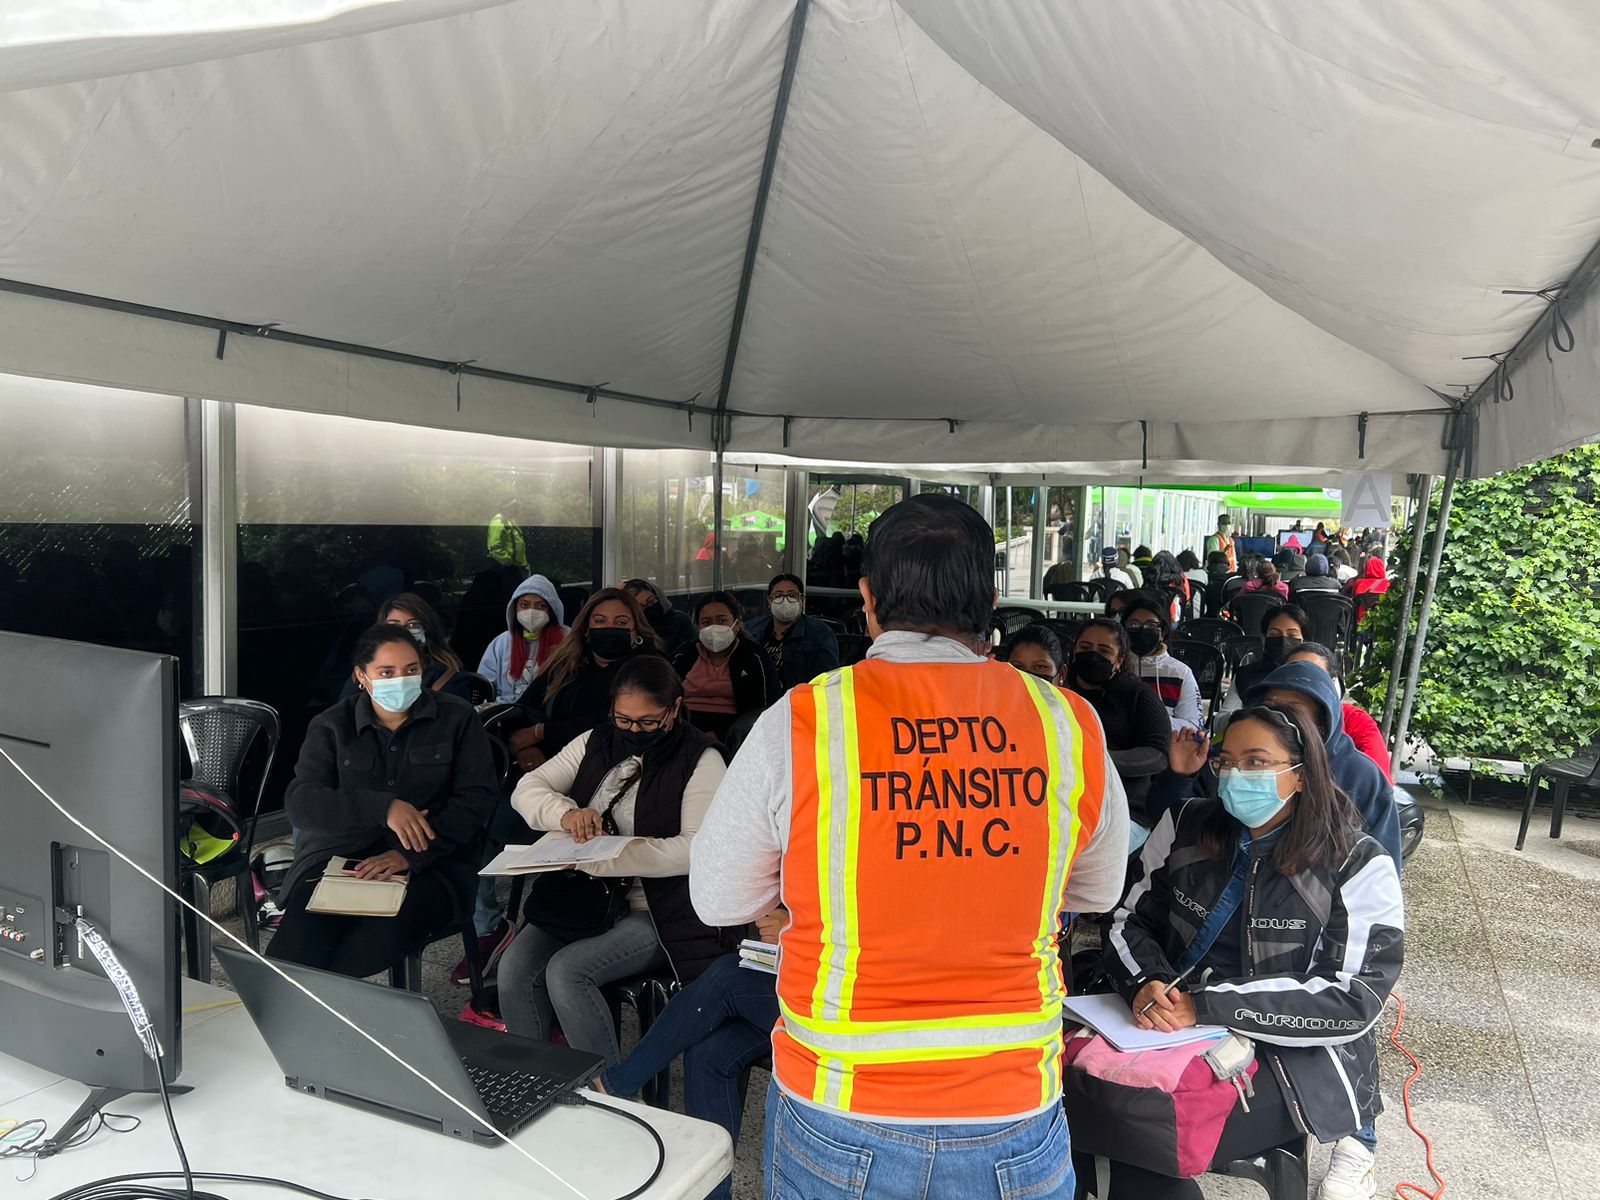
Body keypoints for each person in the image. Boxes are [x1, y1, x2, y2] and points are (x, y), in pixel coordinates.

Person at [691, 493, 1129, 1200]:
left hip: (842, 1097)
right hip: (1013, 1097)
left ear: (866, 599)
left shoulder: (805, 720)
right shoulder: (1067, 723)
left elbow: (718, 899)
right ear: (990, 601)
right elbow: (1098, 891)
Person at [1094, 703, 1404, 1200]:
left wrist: (1206, 1006)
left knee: (1143, 1122)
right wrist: (1144, 982)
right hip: (1161, 1023)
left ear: (1301, 774)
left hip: (1288, 1055)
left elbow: (1353, 998)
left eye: (1257, 762)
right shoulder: (1186, 823)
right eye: (1227, 762)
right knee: (1070, 1097)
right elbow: (1126, 919)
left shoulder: (1357, 861)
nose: (1236, 775)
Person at [498, 657, 734, 1063]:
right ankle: (538, 1076)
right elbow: (528, 787)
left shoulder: (701, 759)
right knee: (514, 967)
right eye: (623, 719)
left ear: (674, 709)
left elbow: (694, 849)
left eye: (647, 722)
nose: (633, 731)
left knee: (569, 972)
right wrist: (565, 814)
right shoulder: (597, 740)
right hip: (589, 897)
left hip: (658, 906)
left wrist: (607, 858)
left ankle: (604, 1087)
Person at [268, 625, 497, 977]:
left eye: (411, 670)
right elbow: (302, 802)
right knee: (290, 958)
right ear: (361, 676)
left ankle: (336, 1009)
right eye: (387, 672)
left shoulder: (456, 718)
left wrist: (409, 854)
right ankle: (317, 1009)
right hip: (342, 861)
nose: (400, 680)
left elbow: (477, 799)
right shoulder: (332, 725)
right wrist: (383, 807)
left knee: (361, 952)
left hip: (432, 865)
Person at [594, 910, 786, 1200]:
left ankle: (615, 1084)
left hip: (840, 1006)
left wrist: (797, 930)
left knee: (725, 976)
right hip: (794, 980)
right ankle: (714, 1195)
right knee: (707, 1054)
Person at [515, 587, 665, 758]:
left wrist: (541, 732)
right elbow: (523, 708)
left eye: (621, 623)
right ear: (586, 628)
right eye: (600, 621)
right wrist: (526, 748)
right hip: (548, 761)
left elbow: (612, 721)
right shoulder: (567, 662)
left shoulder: (650, 666)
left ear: (636, 629)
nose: (609, 628)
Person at [1064, 618, 1172, 842]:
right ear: (1074, 650)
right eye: (1085, 647)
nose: (1093, 655)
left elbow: (1157, 754)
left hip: (1123, 810)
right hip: (1063, 806)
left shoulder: (1138, 695)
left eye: (1104, 650)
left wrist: (1097, 761)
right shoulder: (1060, 690)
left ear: (1119, 660)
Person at [671, 591, 781, 741]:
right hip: (684, 727)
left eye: (722, 620)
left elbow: (769, 707)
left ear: (737, 624)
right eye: (706, 622)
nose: (714, 627)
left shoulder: (754, 657)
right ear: (698, 627)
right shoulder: (683, 655)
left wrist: (721, 734)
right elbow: (665, 695)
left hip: (735, 733)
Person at [1286, 643, 1393, 783]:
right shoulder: (1266, 721)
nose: (1303, 684)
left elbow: (1377, 780)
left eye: (1315, 677)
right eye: (1294, 674)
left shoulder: (1354, 720)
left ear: (1332, 683)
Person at [476, 575, 567, 704]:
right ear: (515, 608)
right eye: (524, 605)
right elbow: (484, 687)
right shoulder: (501, 643)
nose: (531, 612)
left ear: (552, 609)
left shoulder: (567, 640)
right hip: (506, 712)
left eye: (541, 606)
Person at [1121, 592, 1203, 730]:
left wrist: (1154, 721)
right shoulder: (1115, 667)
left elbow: (1194, 725)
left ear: (1162, 632)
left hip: (1166, 740)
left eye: (1150, 625)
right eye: (1134, 625)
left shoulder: (1180, 673)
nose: (1142, 630)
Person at [744, 574, 841, 690]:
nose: (785, 600)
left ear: (802, 601)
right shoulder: (751, 628)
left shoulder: (821, 633)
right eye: (778, 595)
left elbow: (825, 680)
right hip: (756, 696)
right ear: (769, 601)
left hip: (797, 697)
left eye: (792, 595)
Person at [1218, 604, 1309, 716]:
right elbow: (1221, 718)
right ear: (1263, 639)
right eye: (1275, 634)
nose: (1283, 641)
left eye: (1292, 635)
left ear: (1304, 641)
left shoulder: (1313, 677)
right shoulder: (1246, 674)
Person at [623, 577, 697, 657]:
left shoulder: (679, 620)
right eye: (641, 607)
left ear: (659, 597)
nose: (648, 607)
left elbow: (692, 652)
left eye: (651, 601)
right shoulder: (633, 628)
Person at [486, 498, 528, 570]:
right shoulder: (498, 522)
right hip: (506, 568)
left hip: (517, 565)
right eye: (515, 507)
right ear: (508, 507)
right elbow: (495, 547)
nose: (518, 509)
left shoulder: (508, 520)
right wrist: (508, 562)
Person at [1346, 556, 1391, 623]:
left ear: (1367, 569)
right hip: (1380, 621)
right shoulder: (1387, 584)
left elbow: (1354, 601)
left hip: (1361, 620)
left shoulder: (1359, 583)